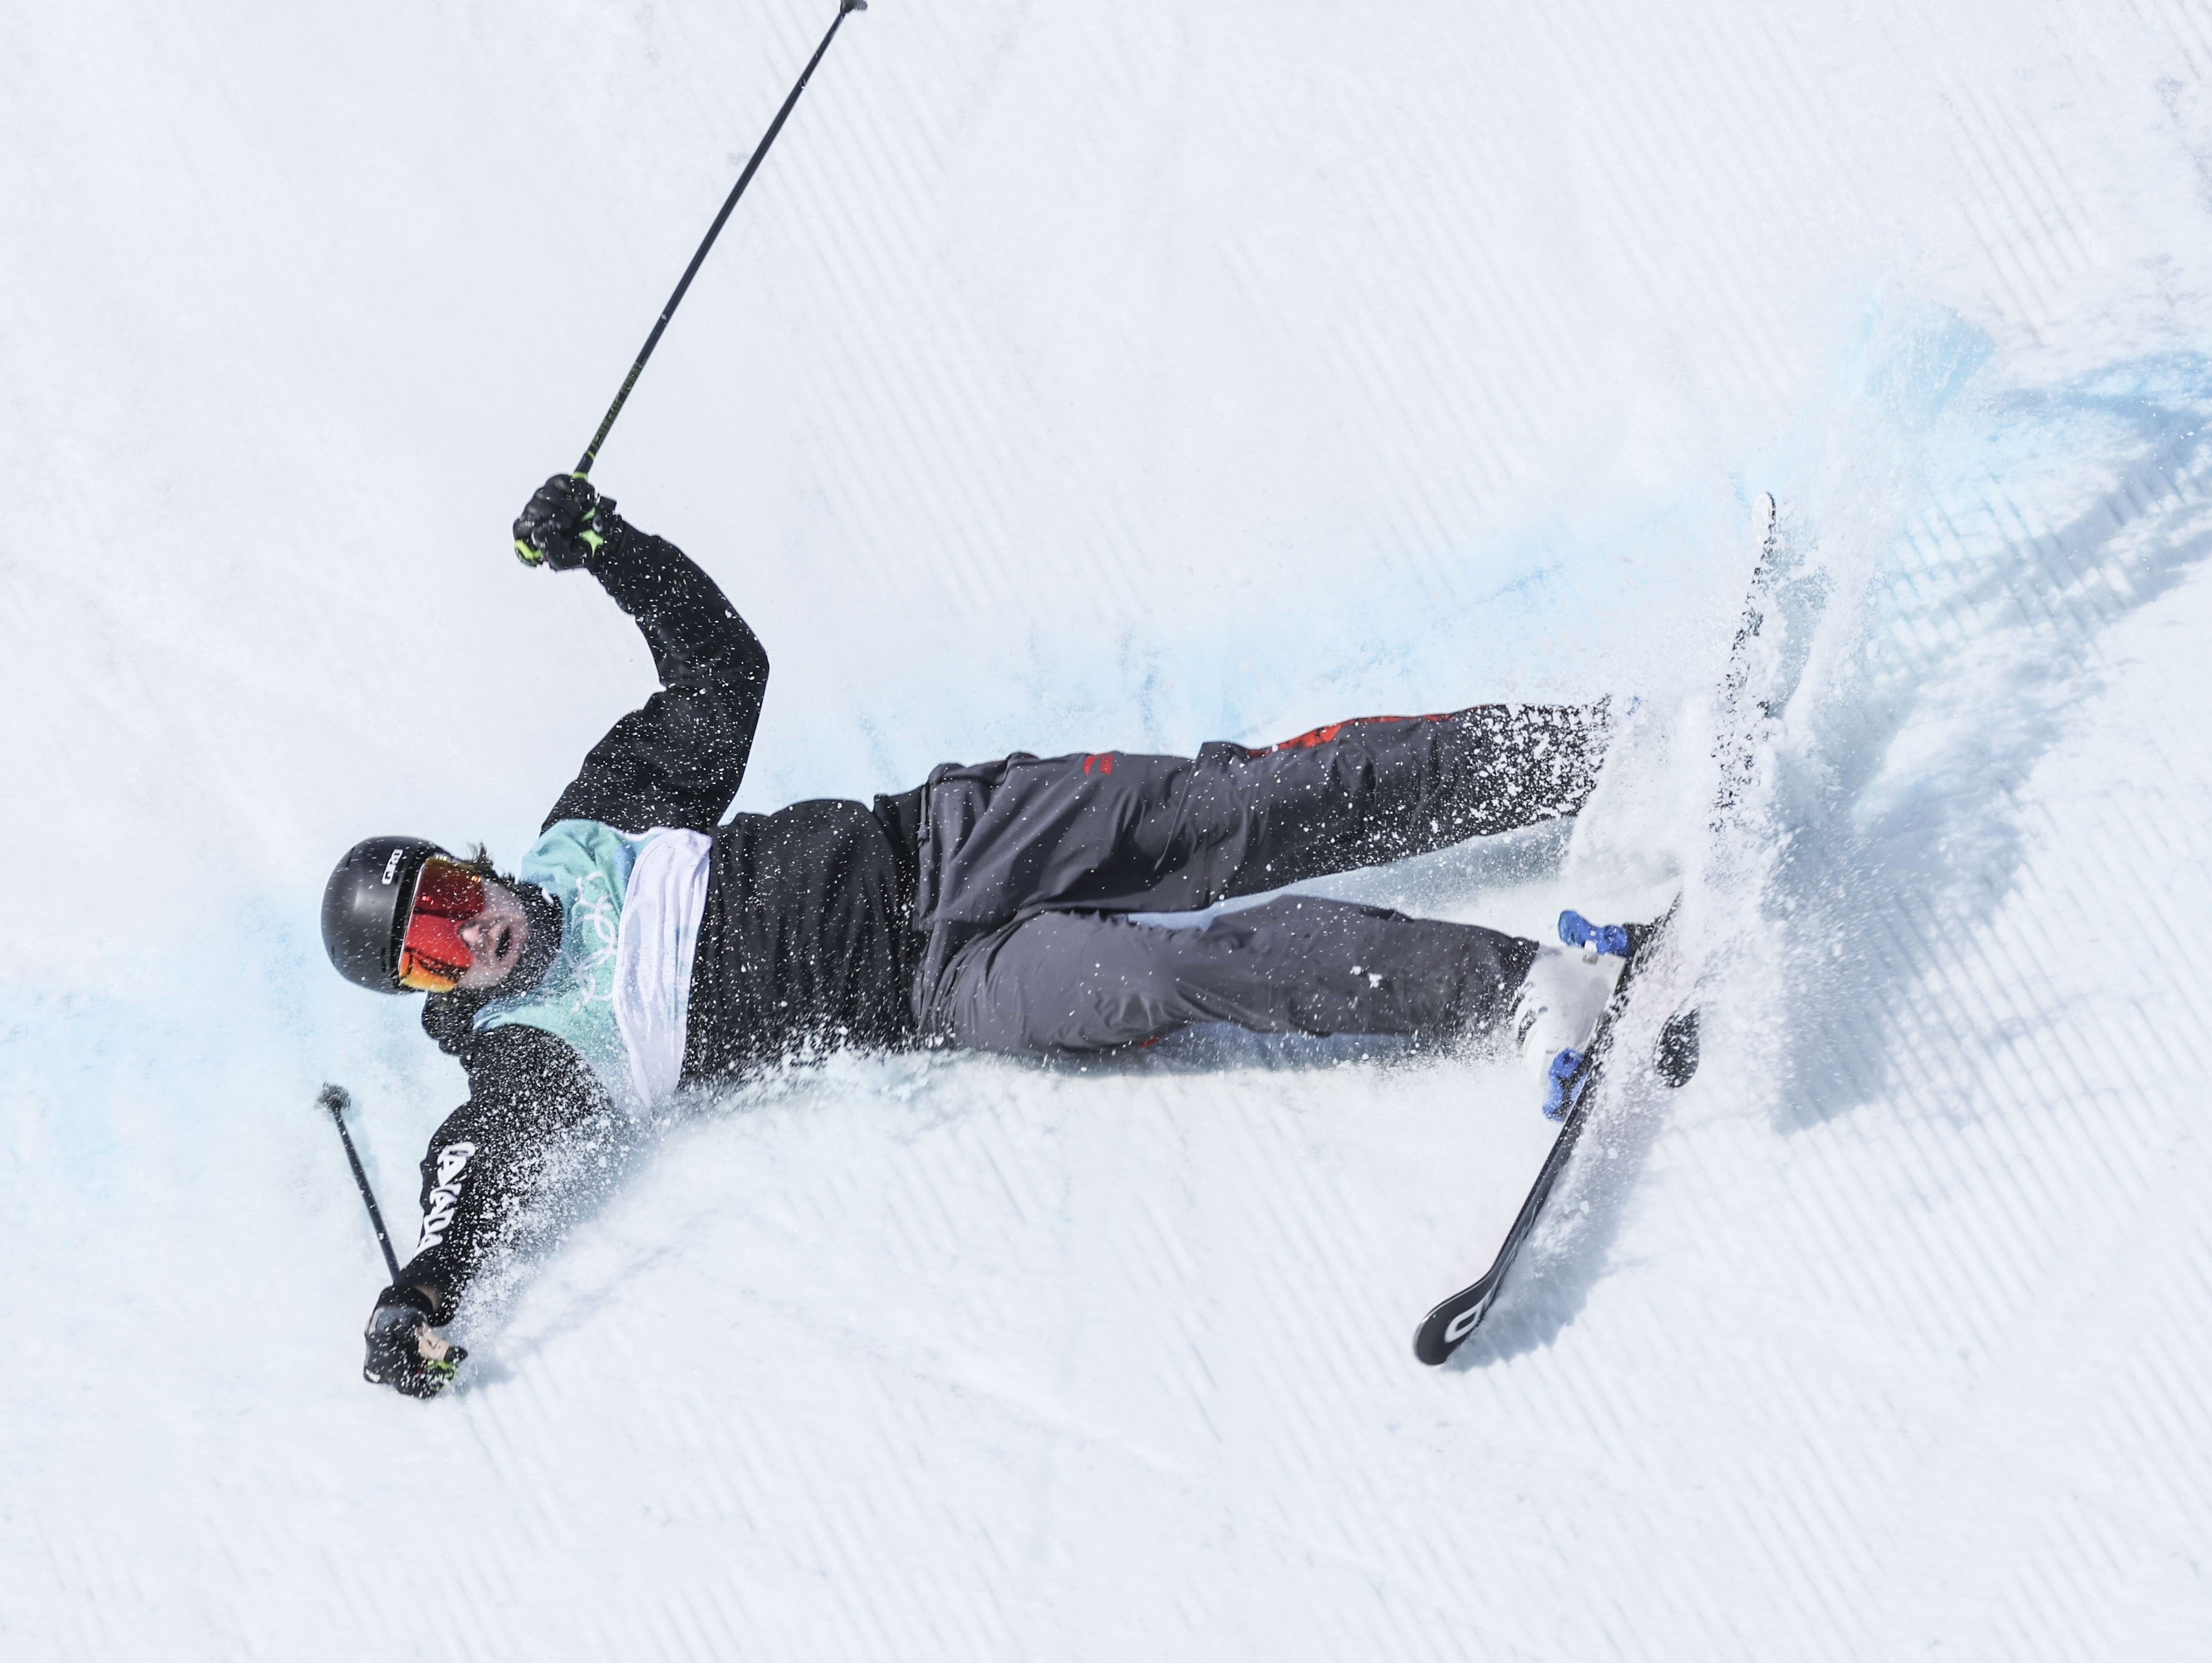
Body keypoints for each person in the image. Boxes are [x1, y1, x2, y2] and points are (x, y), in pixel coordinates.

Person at [322, 474, 1635, 1397]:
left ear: (467, 859)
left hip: (949, 836)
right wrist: (423, 1290)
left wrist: (609, 547)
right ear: (428, 988)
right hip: (942, 983)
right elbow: (474, 1182)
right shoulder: (530, 1059)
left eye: (447, 893)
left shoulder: (590, 825)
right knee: (1162, 969)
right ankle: (1526, 990)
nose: (468, 931)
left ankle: (1585, 754)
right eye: (432, 950)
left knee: (1227, 812)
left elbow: (723, 675)